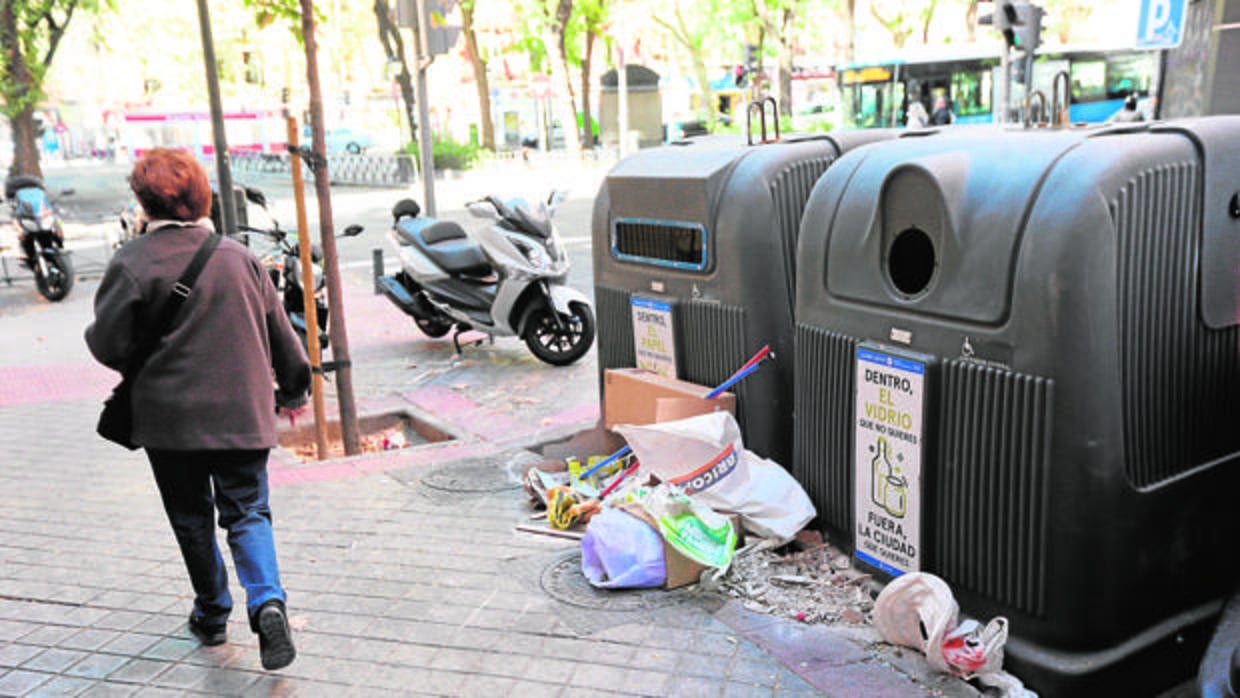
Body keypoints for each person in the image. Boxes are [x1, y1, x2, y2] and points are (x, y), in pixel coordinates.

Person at [85, 148, 309, 671]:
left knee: (191, 517)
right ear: (203, 195)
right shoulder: (238, 257)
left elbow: (108, 345)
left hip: (169, 423)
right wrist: (294, 390)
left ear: (142, 203)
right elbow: (283, 337)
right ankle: (267, 601)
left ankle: (212, 615)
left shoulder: (130, 262)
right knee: (248, 511)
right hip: (242, 415)